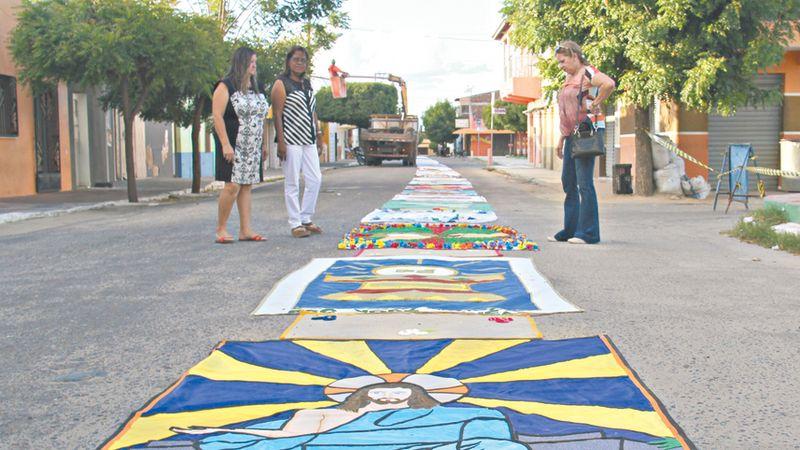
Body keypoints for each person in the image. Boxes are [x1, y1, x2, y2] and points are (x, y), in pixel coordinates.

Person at [170, 382, 527, 449]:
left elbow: (486, 429)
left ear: (418, 396)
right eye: (378, 392)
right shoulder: (320, 413)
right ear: (360, 395)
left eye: (402, 392)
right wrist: (218, 428)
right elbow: (288, 438)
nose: (389, 393)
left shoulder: (449, 416)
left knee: (489, 425)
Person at [549, 40, 615, 245]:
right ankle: (570, 230)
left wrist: (596, 103)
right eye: (558, 62)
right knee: (568, 181)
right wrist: (562, 137)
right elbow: (567, 111)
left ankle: (589, 233)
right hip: (571, 134)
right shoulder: (569, 77)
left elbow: (609, 83)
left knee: (584, 183)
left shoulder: (588, 72)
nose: (561, 66)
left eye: (563, 61)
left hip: (586, 132)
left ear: (575, 56)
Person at [212, 47, 269, 244]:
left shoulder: (257, 87)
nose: (254, 65)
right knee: (232, 185)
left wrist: (262, 144)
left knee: (246, 185)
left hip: (252, 143)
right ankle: (221, 228)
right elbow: (217, 116)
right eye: (251, 62)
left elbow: (261, 116)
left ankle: (246, 229)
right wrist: (225, 144)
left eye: (255, 62)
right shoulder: (225, 86)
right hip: (232, 141)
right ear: (241, 63)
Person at [271, 46, 324, 238]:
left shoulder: (306, 83)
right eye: (296, 59)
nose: (299, 63)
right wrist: (281, 142)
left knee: (315, 178)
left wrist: (318, 134)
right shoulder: (281, 83)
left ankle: (306, 217)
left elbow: (313, 111)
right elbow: (277, 113)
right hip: (291, 139)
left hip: (308, 139)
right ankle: (295, 223)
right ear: (288, 61)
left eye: (303, 60)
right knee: (292, 181)